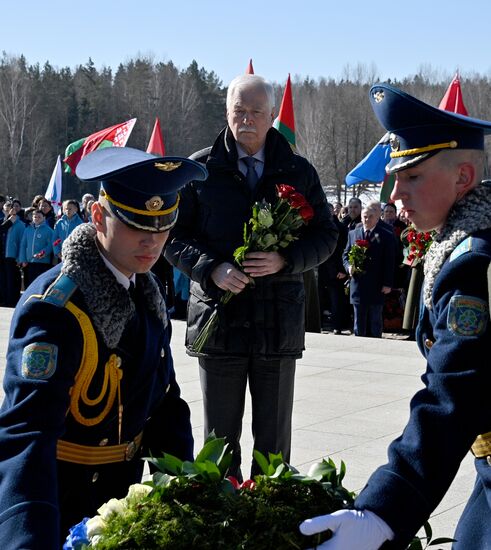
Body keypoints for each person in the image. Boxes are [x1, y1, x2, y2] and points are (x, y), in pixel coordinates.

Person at [300, 83, 491, 549]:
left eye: (413, 178)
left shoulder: (472, 264)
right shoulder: (463, 244)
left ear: (463, 177)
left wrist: (383, 512)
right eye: (394, 178)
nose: (396, 194)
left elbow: (452, 398)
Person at [0, 146, 207, 548]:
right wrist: (28, 539)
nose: (152, 241)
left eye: (163, 225)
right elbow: (27, 436)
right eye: (135, 225)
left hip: (121, 507)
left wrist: (192, 497)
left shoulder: (143, 291)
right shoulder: (58, 308)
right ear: (98, 216)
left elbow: (163, 403)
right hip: (60, 510)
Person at [165, 74, 338, 481]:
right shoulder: (199, 169)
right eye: (238, 111)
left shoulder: (298, 170)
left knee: (273, 450)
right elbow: (172, 236)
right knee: (218, 444)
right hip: (218, 323)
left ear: (272, 115)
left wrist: (286, 260)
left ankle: (269, 524)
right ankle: (220, 525)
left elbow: (328, 235)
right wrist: (212, 268)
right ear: (227, 112)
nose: (246, 119)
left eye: (256, 112)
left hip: (277, 324)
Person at [342, 200, 395, 338]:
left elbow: (389, 261)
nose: (367, 219)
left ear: (377, 218)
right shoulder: (353, 234)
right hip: (358, 284)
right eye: (365, 216)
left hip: (377, 284)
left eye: (370, 216)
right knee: (358, 320)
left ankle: (376, 345)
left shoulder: (386, 235)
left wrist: (387, 283)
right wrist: (349, 267)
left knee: (375, 320)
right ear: (361, 217)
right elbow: (345, 255)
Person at [18, 208, 54, 288]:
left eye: (39, 217)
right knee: (29, 284)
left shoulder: (49, 230)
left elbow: (51, 245)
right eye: (35, 217)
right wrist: (23, 259)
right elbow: (23, 245)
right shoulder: (28, 229)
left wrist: (43, 253)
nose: (36, 218)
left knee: (40, 284)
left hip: (42, 262)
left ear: (44, 218)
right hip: (29, 262)